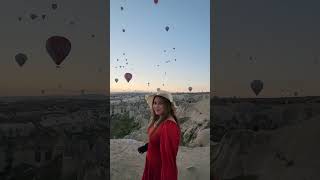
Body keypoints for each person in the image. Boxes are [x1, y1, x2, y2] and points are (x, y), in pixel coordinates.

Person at [138, 90, 181, 180]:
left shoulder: (169, 126)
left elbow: (169, 160)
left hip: (159, 169)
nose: (156, 106)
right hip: (151, 164)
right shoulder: (160, 118)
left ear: (167, 105)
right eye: (155, 103)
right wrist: (148, 146)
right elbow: (159, 140)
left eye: (160, 103)